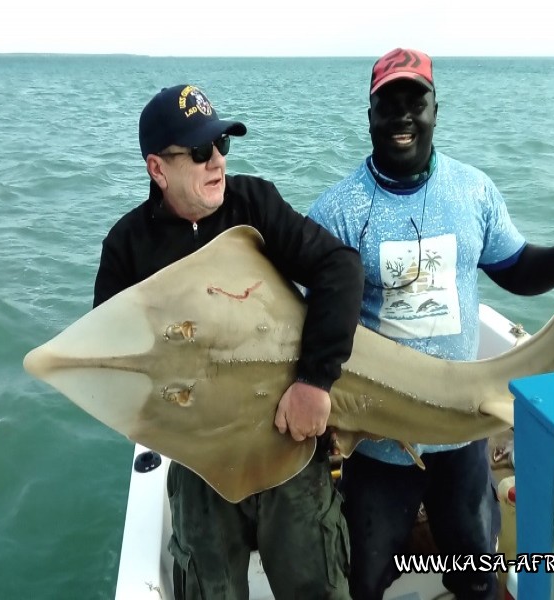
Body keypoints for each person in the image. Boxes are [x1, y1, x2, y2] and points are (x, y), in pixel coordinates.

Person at [308, 48, 554, 600]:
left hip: (461, 433)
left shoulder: (472, 191)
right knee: (362, 581)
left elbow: (518, 271)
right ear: (370, 116)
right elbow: (310, 322)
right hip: (379, 443)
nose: (403, 116)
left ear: (436, 109)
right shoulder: (338, 211)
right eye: (389, 104)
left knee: (477, 576)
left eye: (416, 102)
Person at [93, 84, 363, 599]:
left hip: (287, 439)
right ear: (157, 169)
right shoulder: (128, 246)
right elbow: (108, 360)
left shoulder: (253, 203)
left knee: (319, 587)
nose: (216, 161)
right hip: (200, 464)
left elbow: (340, 269)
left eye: (222, 145)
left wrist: (315, 380)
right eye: (199, 153)